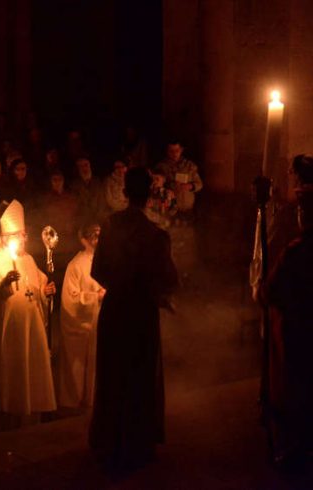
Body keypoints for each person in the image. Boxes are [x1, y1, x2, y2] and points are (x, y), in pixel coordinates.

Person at [89, 167, 178, 471]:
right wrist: (152, 292)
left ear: (125, 193)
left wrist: (120, 284)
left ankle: (109, 439)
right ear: (149, 195)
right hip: (140, 313)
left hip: (115, 310)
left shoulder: (111, 225)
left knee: (114, 373)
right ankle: (137, 442)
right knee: (139, 375)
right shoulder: (156, 234)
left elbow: (97, 270)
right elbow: (168, 279)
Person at [0, 200, 57, 419]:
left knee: (33, 365)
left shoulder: (29, 259)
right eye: (19, 235)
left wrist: (45, 291)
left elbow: (37, 287)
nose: (24, 238)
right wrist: (2, 284)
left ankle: (34, 407)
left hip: (33, 324)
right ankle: (11, 408)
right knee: (15, 366)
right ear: (6, 239)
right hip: (10, 325)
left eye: (23, 234)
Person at [265, 188, 313, 470]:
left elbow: (272, 292)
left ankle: (298, 447)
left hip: (300, 333)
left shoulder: (295, 253)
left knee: (297, 390)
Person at [58, 223, 104, 409]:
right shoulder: (76, 265)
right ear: (84, 239)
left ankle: (97, 400)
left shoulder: (105, 260)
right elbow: (71, 299)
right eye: (94, 236)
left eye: (100, 235)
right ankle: (74, 401)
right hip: (83, 322)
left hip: (100, 319)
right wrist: (95, 297)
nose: (98, 240)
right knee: (77, 365)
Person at [155, 141, 203, 219]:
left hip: (187, 209)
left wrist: (190, 186)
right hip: (169, 210)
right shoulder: (161, 167)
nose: (174, 153)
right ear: (167, 151)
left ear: (181, 150)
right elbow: (157, 186)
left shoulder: (189, 166)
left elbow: (199, 184)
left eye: (177, 150)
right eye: (171, 151)